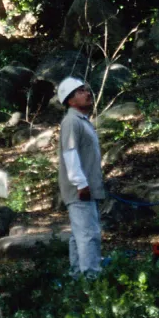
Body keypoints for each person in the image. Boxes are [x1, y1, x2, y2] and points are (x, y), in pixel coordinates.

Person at [56, 76, 106, 278]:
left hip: (86, 188)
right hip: (80, 190)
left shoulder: (82, 121)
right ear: (70, 100)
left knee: (79, 236)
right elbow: (70, 153)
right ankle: (91, 280)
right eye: (80, 91)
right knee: (88, 235)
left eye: (86, 90)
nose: (87, 94)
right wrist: (81, 184)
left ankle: (77, 277)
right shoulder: (71, 122)